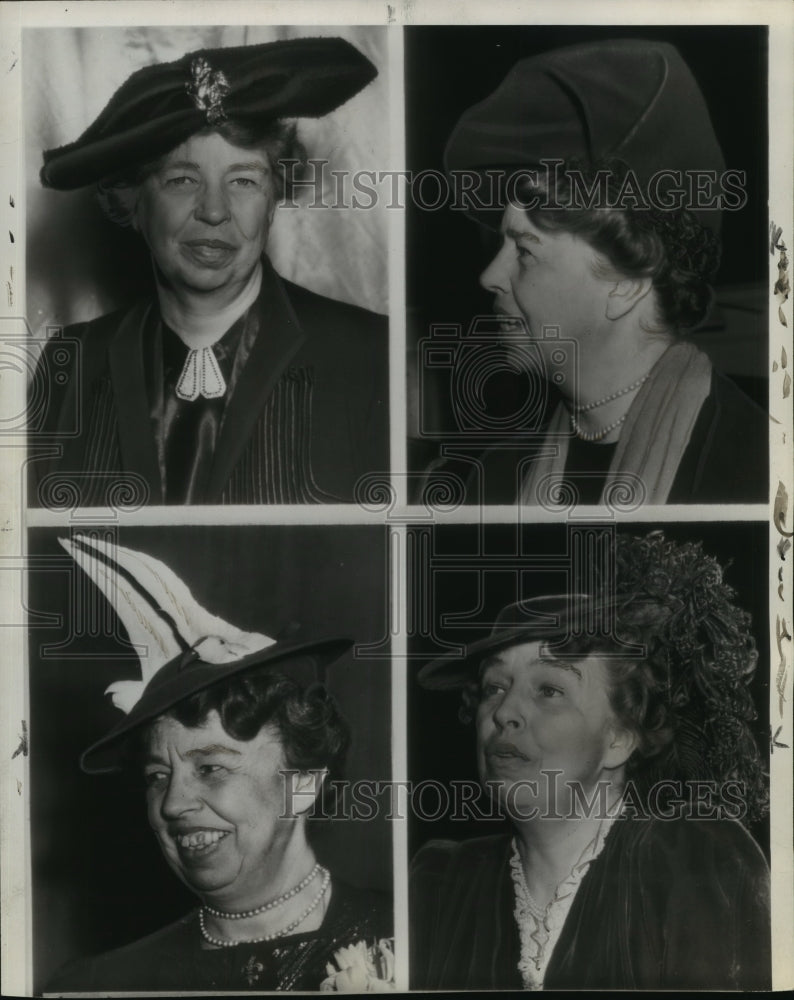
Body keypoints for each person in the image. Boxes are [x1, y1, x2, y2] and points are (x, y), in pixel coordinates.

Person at [30, 37, 388, 506]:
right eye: (182, 179)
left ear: (274, 198)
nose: (215, 211)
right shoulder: (70, 365)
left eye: (243, 180)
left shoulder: (370, 355)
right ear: (133, 202)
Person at [410, 531, 770, 990]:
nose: (502, 713)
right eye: (494, 687)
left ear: (620, 737)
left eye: (549, 690)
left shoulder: (695, 866)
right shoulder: (442, 884)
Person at [47, 535, 392, 992]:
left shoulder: (414, 937)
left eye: (210, 768)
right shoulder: (100, 983)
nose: (172, 804)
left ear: (303, 783)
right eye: (156, 776)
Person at [434, 39, 767, 505]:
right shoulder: (493, 480)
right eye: (500, 247)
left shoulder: (756, 470)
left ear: (626, 283)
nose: (489, 276)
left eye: (525, 251)